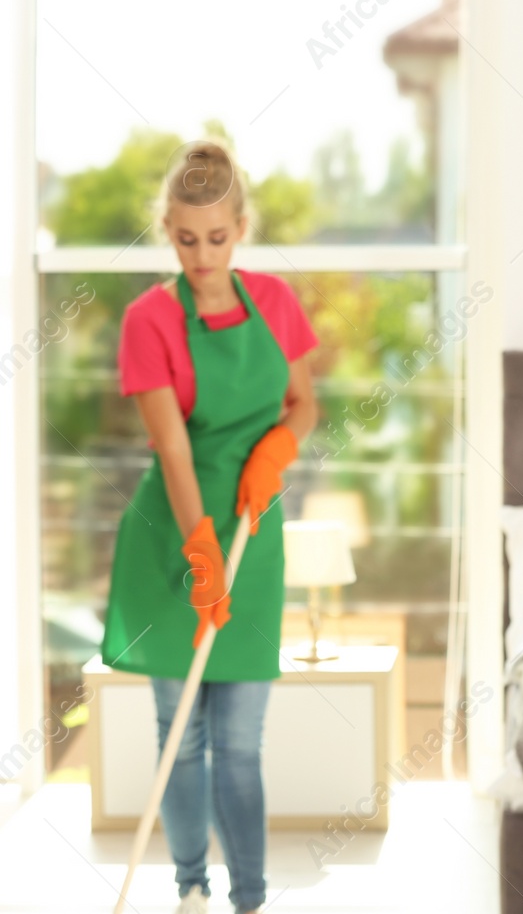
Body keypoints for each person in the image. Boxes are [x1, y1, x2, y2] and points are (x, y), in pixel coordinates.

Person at [101, 141, 319, 914]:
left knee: (239, 743)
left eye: (217, 238)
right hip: (177, 537)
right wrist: (199, 552)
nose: (202, 256)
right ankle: (191, 889)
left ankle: (250, 898)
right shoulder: (149, 320)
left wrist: (278, 448)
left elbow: (305, 403)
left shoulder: (275, 301)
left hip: (252, 535)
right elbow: (173, 450)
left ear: (240, 228)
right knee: (181, 734)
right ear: (166, 229)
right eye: (186, 239)